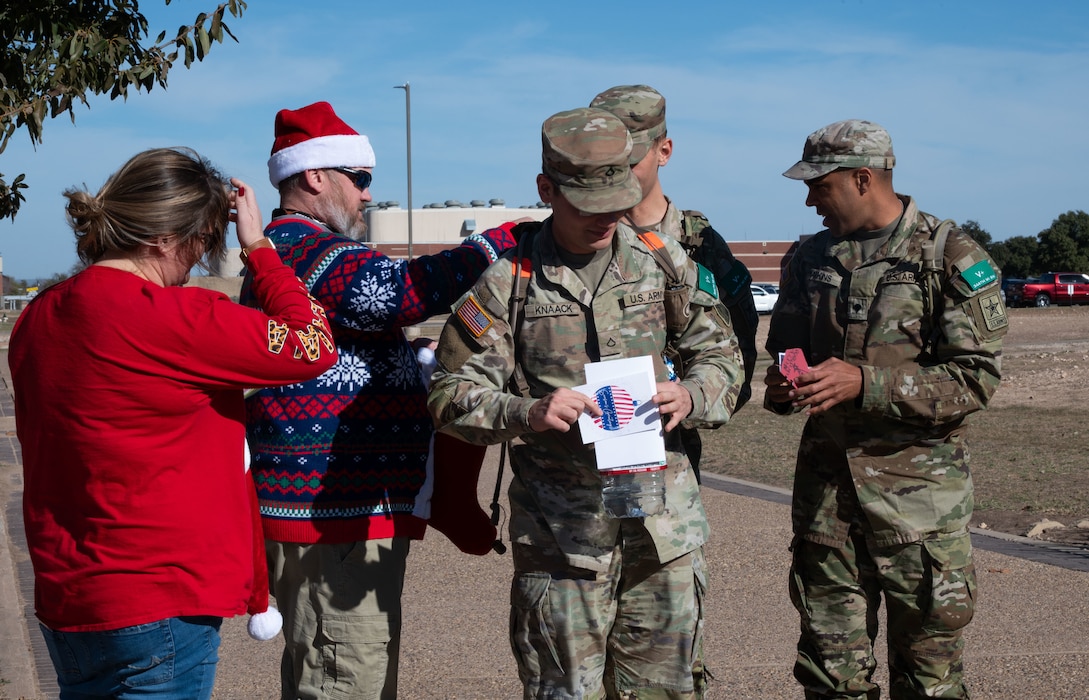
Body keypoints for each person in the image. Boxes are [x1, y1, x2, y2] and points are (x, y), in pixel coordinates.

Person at [428, 107, 745, 699]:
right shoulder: (509, 282)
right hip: (562, 540)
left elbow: (723, 358)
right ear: (546, 189)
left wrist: (692, 394)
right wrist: (527, 412)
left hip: (662, 534)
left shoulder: (662, 261)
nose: (606, 219)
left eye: (617, 201)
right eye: (586, 206)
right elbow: (448, 395)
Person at [8, 147, 337, 698]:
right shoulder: (179, 318)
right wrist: (260, 247)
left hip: (69, 594)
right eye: (205, 239)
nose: (202, 256)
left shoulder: (39, 315)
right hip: (159, 597)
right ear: (165, 238)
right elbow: (313, 344)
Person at [242, 101, 517, 700]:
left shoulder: (300, 250)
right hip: (330, 517)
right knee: (346, 678)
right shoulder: (297, 247)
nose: (368, 196)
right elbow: (395, 292)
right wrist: (499, 244)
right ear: (314, 176)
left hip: (339, 513)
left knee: (330, 670)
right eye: (360, 180)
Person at [764, 119, 1008, 699]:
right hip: (828, 506)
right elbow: (788, 350)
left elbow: (975, 380)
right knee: (830, 675)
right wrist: (783, 387)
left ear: (861, 179)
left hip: (916, 507)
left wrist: (866, 383)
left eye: (819, 185)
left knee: (929, 680)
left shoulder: (949, 254)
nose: (809, 199)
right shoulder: (809, 256)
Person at [590, 84, 759, 472]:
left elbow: (738, 358)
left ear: (663, 151)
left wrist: (690, 395)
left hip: (666, 455)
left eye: (628, 161)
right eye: (602, 165)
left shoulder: (700, 247)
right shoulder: (570, 241)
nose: (615, 176)